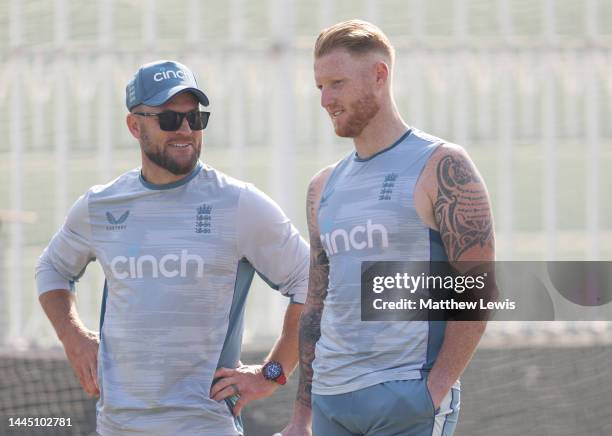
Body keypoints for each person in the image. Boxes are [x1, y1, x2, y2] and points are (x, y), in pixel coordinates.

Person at [36, 60, 309, 436]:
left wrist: (272, 373)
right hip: (116, 427)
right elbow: (52, 268)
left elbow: (312, 280)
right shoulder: (101, 206)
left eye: (194, 119)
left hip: (206, 426)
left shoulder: (239, 204)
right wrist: (73, 337)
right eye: (169, 120)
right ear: (135, 125)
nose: (185, 130)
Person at [283, 20, 495, 436]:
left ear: (379, 76)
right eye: (320, 87)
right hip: (331, 403)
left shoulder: (441, 165)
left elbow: (479, 288)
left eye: (337, 83)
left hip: (406, 400)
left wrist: (433, 391)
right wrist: (301, 416)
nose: (326, 99)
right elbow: (317, 304)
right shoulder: (322, 186)